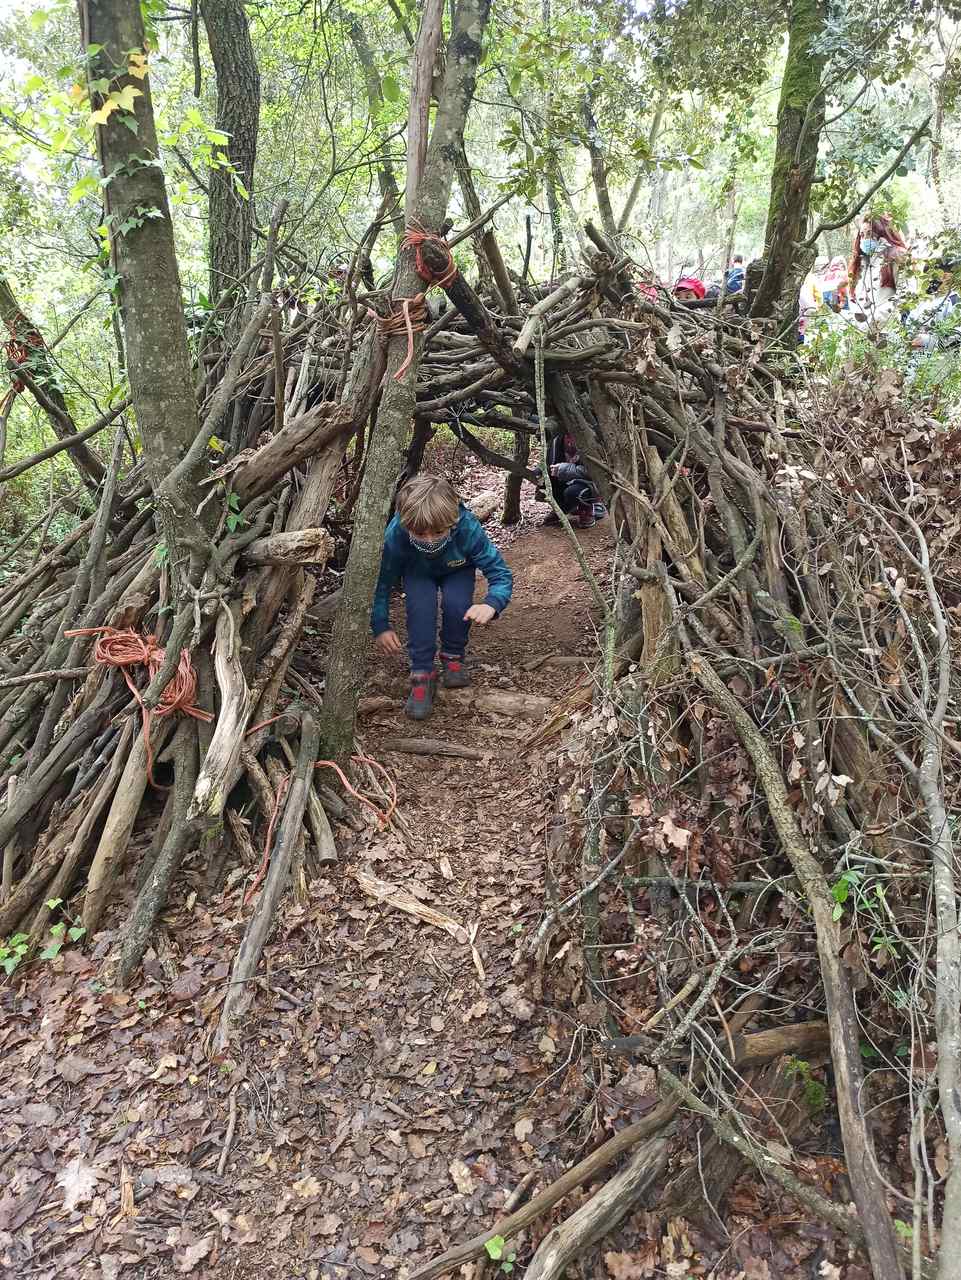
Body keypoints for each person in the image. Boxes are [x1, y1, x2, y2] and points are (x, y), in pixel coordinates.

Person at [371, 474, 513, 721]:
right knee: (420, 610)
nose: (429, 540)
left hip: (458, 567)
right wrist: (380, 625)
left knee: (458, 605)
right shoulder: (396, 534)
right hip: (416, 571)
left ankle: (453, 656)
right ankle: (422, 673)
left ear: (452, 521)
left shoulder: (467, 527)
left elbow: (500, 573)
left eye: (438, 532)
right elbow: (381, 582)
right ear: (406, 524)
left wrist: (492, 604)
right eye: (419, 533)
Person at [537, 428, 605, 528]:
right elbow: (548, 464)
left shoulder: (591, 442)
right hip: (565, 482)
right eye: (568, 437)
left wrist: (565, 469)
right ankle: (562, 508)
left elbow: (595, 472)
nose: (570, 442)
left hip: (588, 483)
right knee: (543, 479)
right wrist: (539, 473)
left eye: (573, 437)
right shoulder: (556, 442)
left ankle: (587, 509)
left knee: (573, 492)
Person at [849, 213, 908, 325]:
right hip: (862, 329)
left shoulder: (897, 255)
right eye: (862, 235)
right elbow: (854, 296)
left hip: (888, 326)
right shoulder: (860, 262)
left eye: (869, 233)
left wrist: (877, 318)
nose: (865, 239)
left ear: (881, 232)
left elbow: (905, 294)